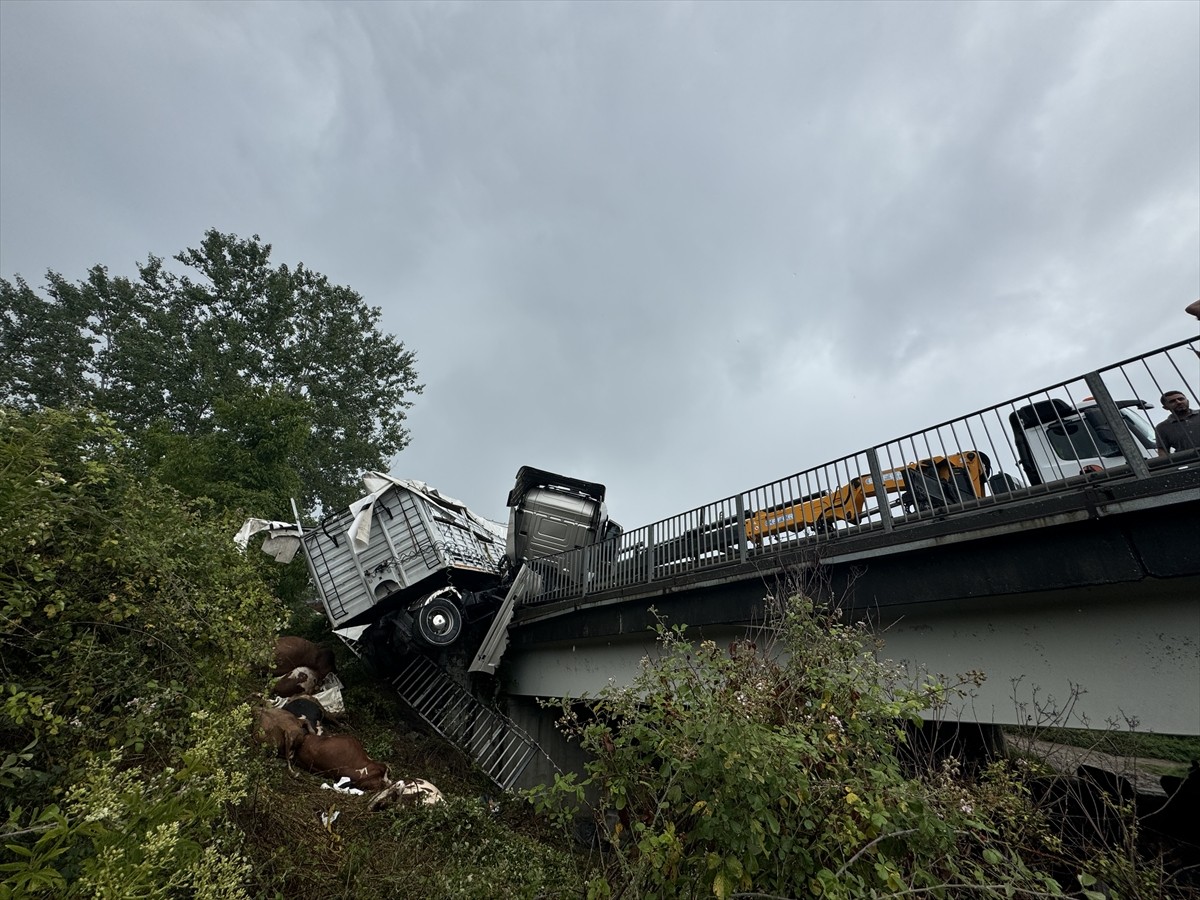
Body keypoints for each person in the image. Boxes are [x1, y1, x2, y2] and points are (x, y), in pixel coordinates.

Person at [1155, 390, 1200, 455]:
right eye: (1172, 401)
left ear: (1187, 401)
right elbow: (1163, 451)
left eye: (1181, 399)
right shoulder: (1162, 427)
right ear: (1165, 407)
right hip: (1189, 462)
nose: (1178, 402)